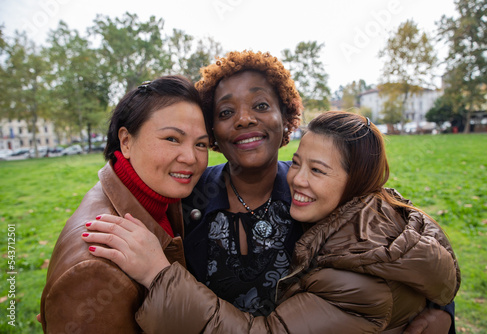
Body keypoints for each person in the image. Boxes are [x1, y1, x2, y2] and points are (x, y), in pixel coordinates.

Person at [83, 51, 458, 333]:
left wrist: (443, 311)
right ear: (213, 133)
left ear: (287, 119)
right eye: (226, 112)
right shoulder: (186, 195)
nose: (245, 118)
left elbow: (406, 249)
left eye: (261, 105)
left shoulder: (320, 194)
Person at [39, 75, 209, 333]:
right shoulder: (95, 272)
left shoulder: (162, 197)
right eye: (172, 139)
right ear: (126, 141)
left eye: (201, 144)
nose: (191, 157)